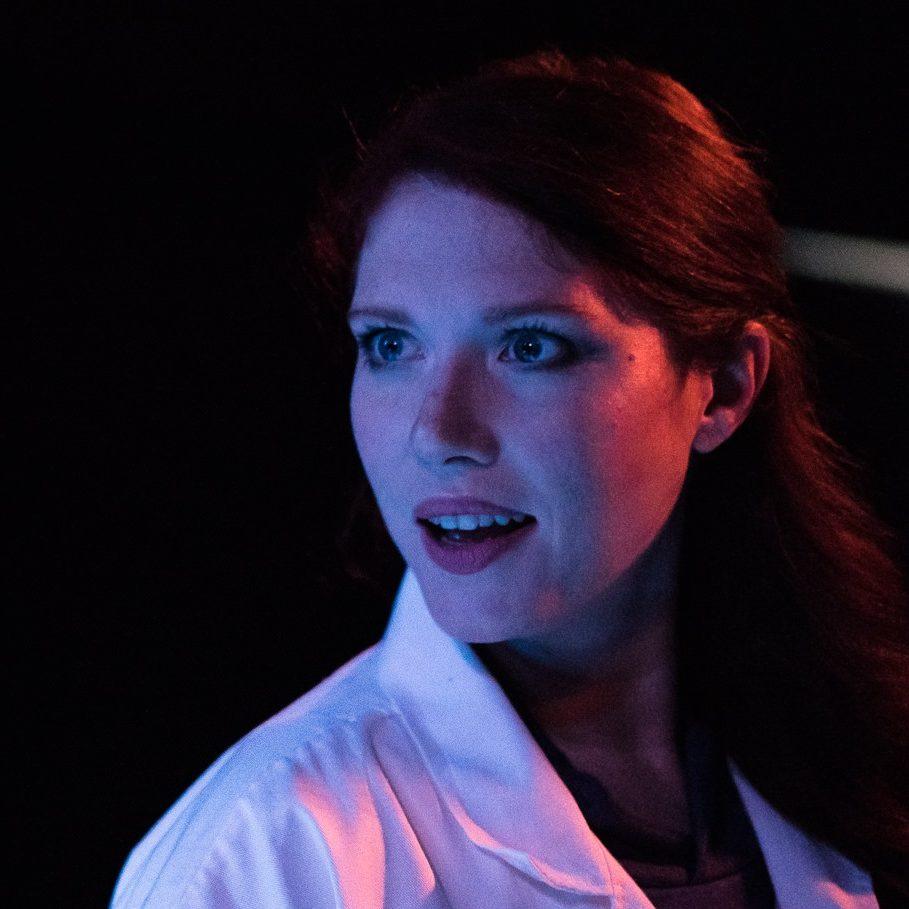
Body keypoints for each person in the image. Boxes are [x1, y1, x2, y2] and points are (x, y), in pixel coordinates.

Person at [110, 49, 909, 908]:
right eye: (389, 344)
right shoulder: (260, 858)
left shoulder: (853, 770)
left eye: (529, 346)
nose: (437, 432)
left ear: (722, 387)